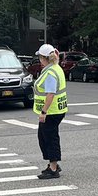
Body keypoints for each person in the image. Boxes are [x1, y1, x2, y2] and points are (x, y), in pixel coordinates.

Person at [33, 43, 67, 179]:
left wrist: (43, 112)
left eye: (40, 57)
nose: (39, 60)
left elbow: (50, 94)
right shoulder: (54, 68)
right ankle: (53, 164)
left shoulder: (51, 73)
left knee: (50, 138)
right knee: (44, 137)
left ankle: (53, 168)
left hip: (51, 112)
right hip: (56, 110)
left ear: (44, 58)